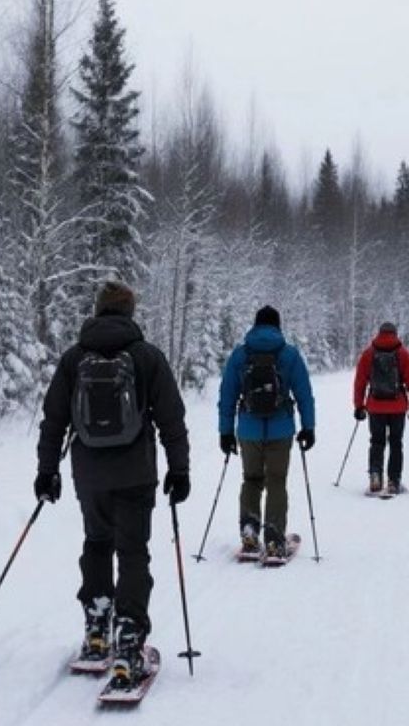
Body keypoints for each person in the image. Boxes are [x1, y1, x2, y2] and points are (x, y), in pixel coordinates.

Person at [35, 281, 190, 687]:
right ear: (130, 312)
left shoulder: (73, 359)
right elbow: (172, 418)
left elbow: (54, 420)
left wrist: (46, 470)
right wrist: (180, 470)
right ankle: (128, 641)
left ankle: (97, 628)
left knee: (97, 544)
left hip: (89, 475)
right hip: (136, 473)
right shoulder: (146, 357)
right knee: (134, 553)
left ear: (98, 310)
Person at [217, 305, 316, 559]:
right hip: (280, 429)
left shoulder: (240, 355)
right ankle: (273, 540)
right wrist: (308, 427)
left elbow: (227, 395)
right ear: (277, 326)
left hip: (248, 430)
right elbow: (304, 394)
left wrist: (225, 431)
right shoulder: (289, 354)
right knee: (276, 482)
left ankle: (249, 532)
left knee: (251, 480)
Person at [352, 321, 409, 494]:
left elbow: (360, 382)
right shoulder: (403, 354)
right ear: (395, 333)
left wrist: (359, 406)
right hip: (398, 407)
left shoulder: (368, 354)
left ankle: (375, 476)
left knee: (376, 442)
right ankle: (393, 481)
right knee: (396, 443)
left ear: (379, 333)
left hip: (375, 407)